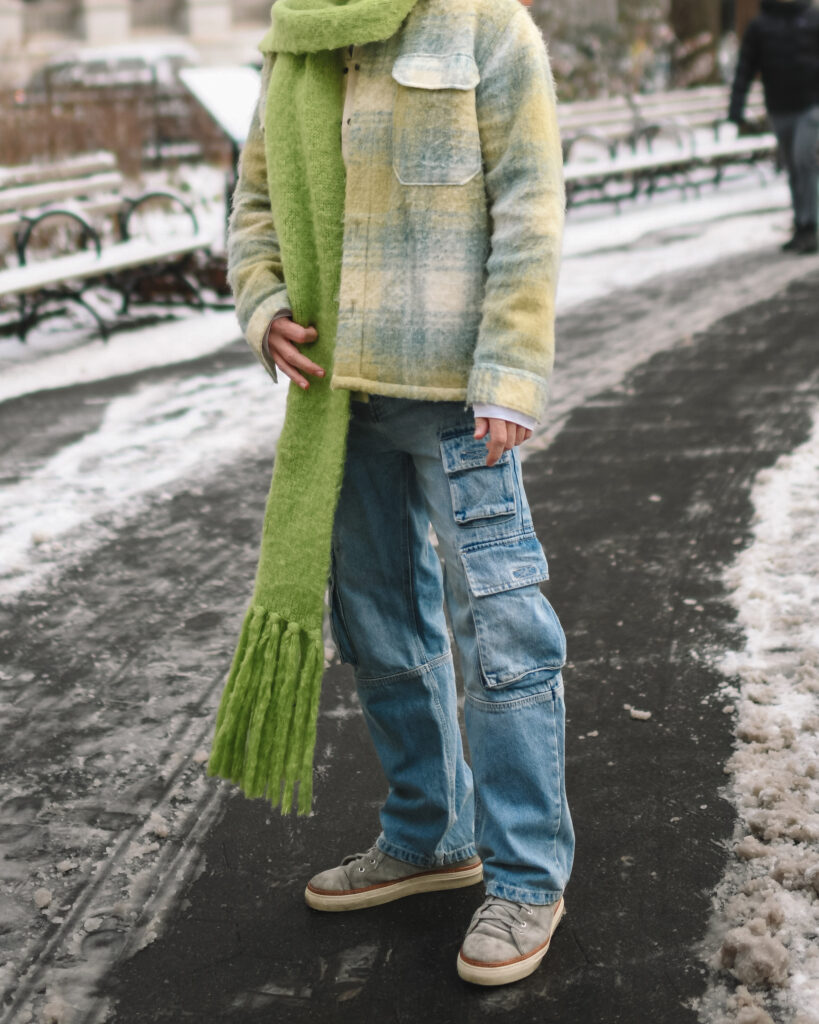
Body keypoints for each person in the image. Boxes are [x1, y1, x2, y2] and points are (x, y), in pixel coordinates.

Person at [221, 0, 574, 987]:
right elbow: (252, 205)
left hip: (460, 397)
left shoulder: (484, 27)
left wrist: (510, 368)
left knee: (500, 634)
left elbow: (529, 204)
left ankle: (526, 875)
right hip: (340, 401)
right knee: (380, 628)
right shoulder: (299, 42)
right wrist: (263, 303)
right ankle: (430, 834)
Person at [729, 0, 819, 255]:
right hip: (779, 108)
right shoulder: (760, 25)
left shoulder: (813, 19)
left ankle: (811, 226)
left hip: (811, 106)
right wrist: (736, 109)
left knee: (805, 160)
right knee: (791, 166)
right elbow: (745, 67)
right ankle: (801, 224)